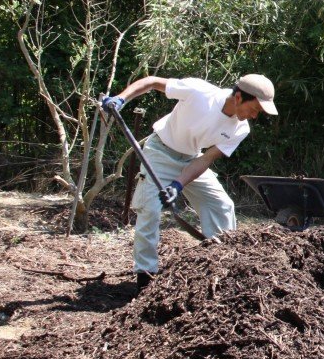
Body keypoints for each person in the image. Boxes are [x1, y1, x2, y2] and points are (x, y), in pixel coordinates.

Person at [102, 74, 277, 291]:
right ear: (239, 97)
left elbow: (205, 159)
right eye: (255, 108)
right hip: (160, 152)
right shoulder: (200, 92)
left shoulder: (240, 129)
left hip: (192, 159)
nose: (255, 115)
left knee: (222, 205)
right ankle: (145, 277)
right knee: (150, 211)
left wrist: (177, 185)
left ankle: (222, 266)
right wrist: (121, 98)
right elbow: (152, 81)